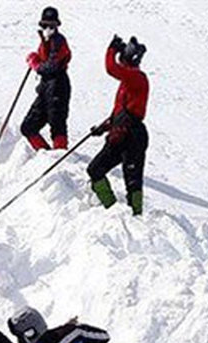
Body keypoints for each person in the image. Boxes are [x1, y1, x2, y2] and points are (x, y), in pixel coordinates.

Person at [87, 35, 150, 215]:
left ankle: (136, 217)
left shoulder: (137, 77)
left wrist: (111, 50)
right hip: (119, 134)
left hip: (133, 136)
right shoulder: (127, 81)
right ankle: (112, 210)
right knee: (95, 169)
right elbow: (120, 113)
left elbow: (110, 68)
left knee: (133, 181)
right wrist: (103, 127)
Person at [19, 7, 72, 151]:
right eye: (44, 25)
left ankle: (59, 156)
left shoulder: (59, 41)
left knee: (57, 123)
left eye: (51, 25)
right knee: (28, 127)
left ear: (57, 26)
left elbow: (52, 66)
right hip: (45, 86)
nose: (47, 28)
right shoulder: (45, 41)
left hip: (58, 84)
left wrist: (35, 64)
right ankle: (46, 155)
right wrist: (36, 58)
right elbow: (44, 61)